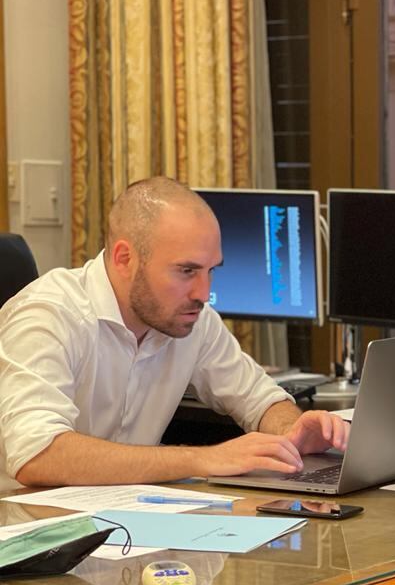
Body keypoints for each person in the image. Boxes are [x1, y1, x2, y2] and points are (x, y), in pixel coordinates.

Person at [0, 176, 348, 491]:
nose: (203, 292)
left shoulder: (191, 317)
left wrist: (294, 429)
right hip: (27, 533)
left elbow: (259, 399)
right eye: (187, 270)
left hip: (124, 524)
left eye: (211, 270)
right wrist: (206, 459)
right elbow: (37, 454)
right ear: (124, 258)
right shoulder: (48, 314)